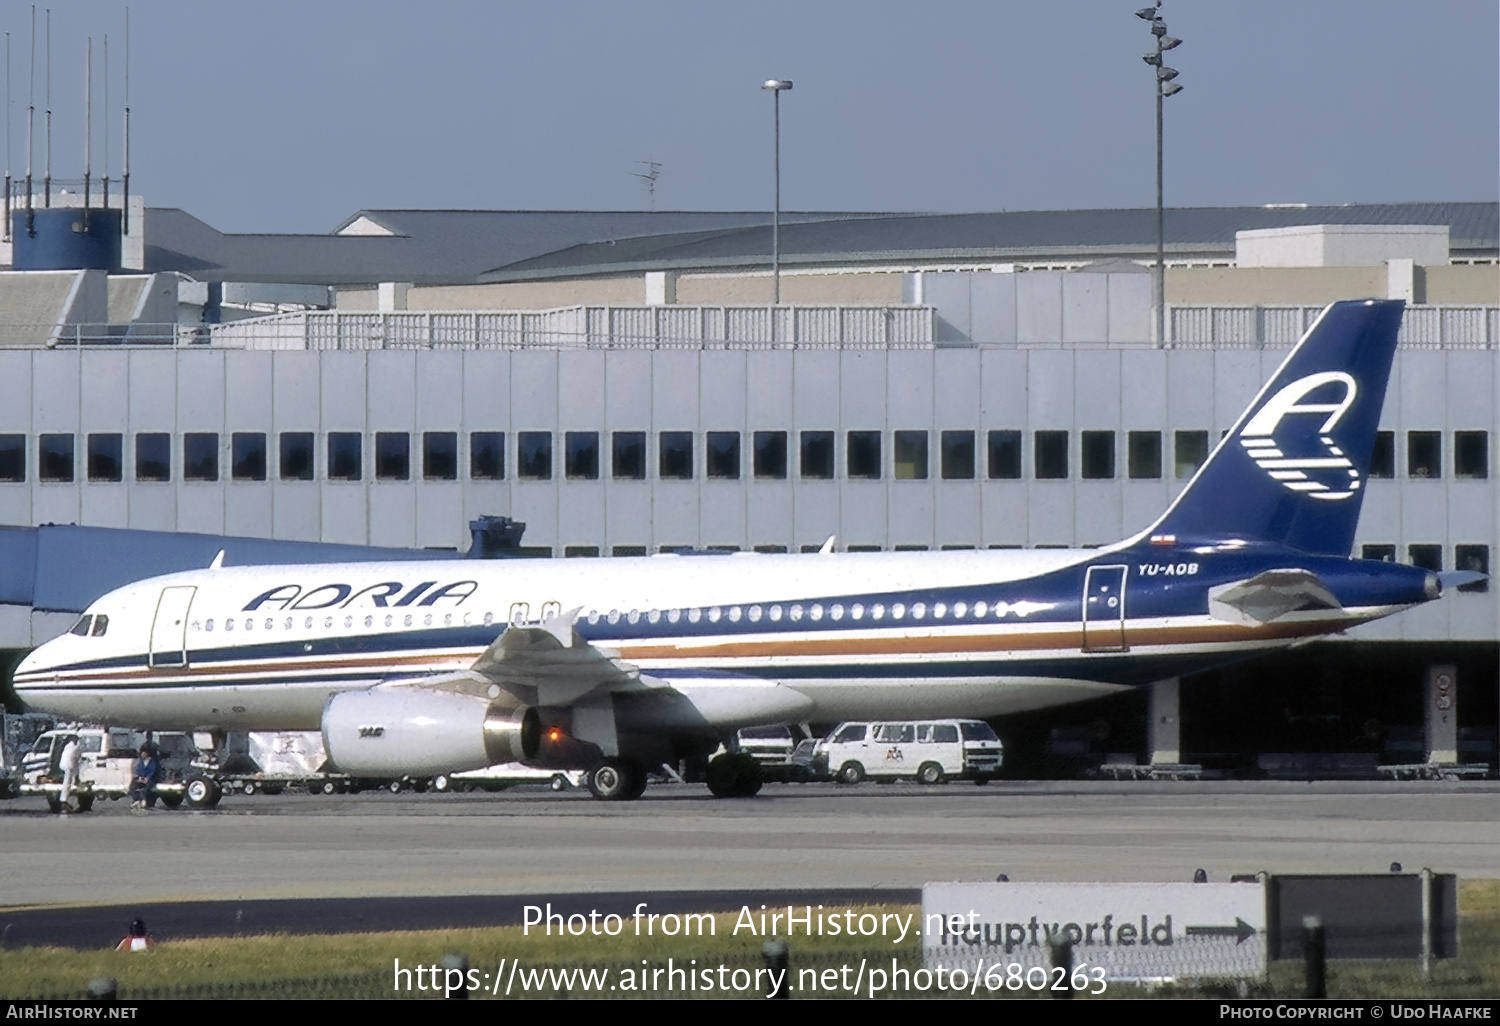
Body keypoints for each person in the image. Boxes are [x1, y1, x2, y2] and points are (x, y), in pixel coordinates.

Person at [129, 745, 159, 810]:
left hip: (151, 779)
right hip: (141, 777)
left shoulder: (153, 762)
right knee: (133, 786)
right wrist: (139, 777)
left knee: (147, 787)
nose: (142, 754)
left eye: (144, 753)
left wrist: (147, 778)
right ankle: (136, 800)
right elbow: (138, 769)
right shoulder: (140, 761)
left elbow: (152, 771)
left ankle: (145, 802)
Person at [57, 736, 80, 813]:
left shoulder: (68, 745)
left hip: (64, 764)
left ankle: (65, 801)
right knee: (67, 783)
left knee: (68, 780)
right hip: (68, 765)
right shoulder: (76, 747)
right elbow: (78, 756)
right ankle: (64, 801)